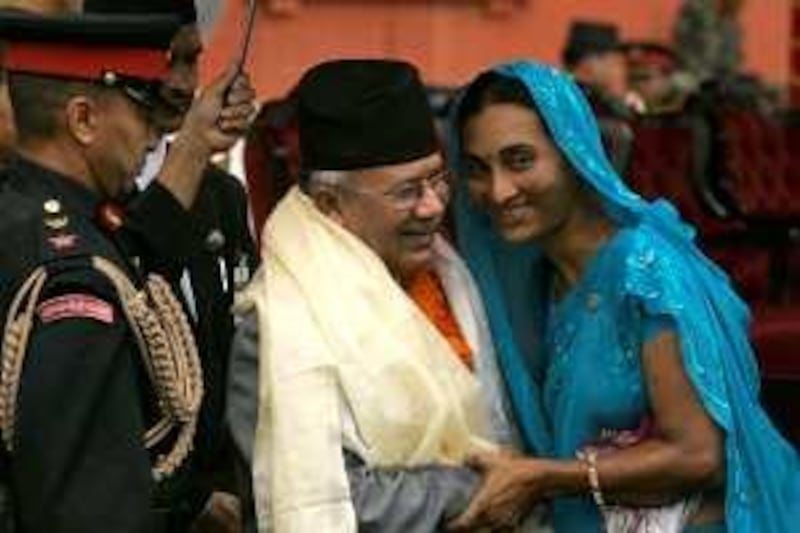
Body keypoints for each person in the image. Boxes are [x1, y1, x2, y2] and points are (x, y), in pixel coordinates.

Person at [444, 60, 800, 532]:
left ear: (574, 156)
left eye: (519, 160)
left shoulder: (644, 270)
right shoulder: (535, 280)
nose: (498, 190)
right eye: (476, 169)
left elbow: (698, 456)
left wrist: (544, 478)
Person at [226, 59, 533, 533]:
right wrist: (479, 487)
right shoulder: (277, 325)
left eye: (436, 180)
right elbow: (332, 497)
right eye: (407, 192)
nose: (432, 207)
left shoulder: (449, 278)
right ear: (332, 206)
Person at [0, 9, 253, 532]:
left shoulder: (32, 216)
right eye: (142, 111)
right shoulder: (69, 278)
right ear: (83, 120)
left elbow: (137, 252)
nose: (150, 136)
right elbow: (86, 506)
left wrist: (195, 147)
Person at [83, 0, 259, 528]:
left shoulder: (224, 196)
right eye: (169, 62)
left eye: (193, 61)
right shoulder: (87, 189)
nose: (183, 85)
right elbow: (127, 288)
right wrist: (189, 496)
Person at [562, 20, 638, 174]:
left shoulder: (598, 98)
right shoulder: (568, 98)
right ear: (590, 62)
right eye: (611, 62)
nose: (616, 70)